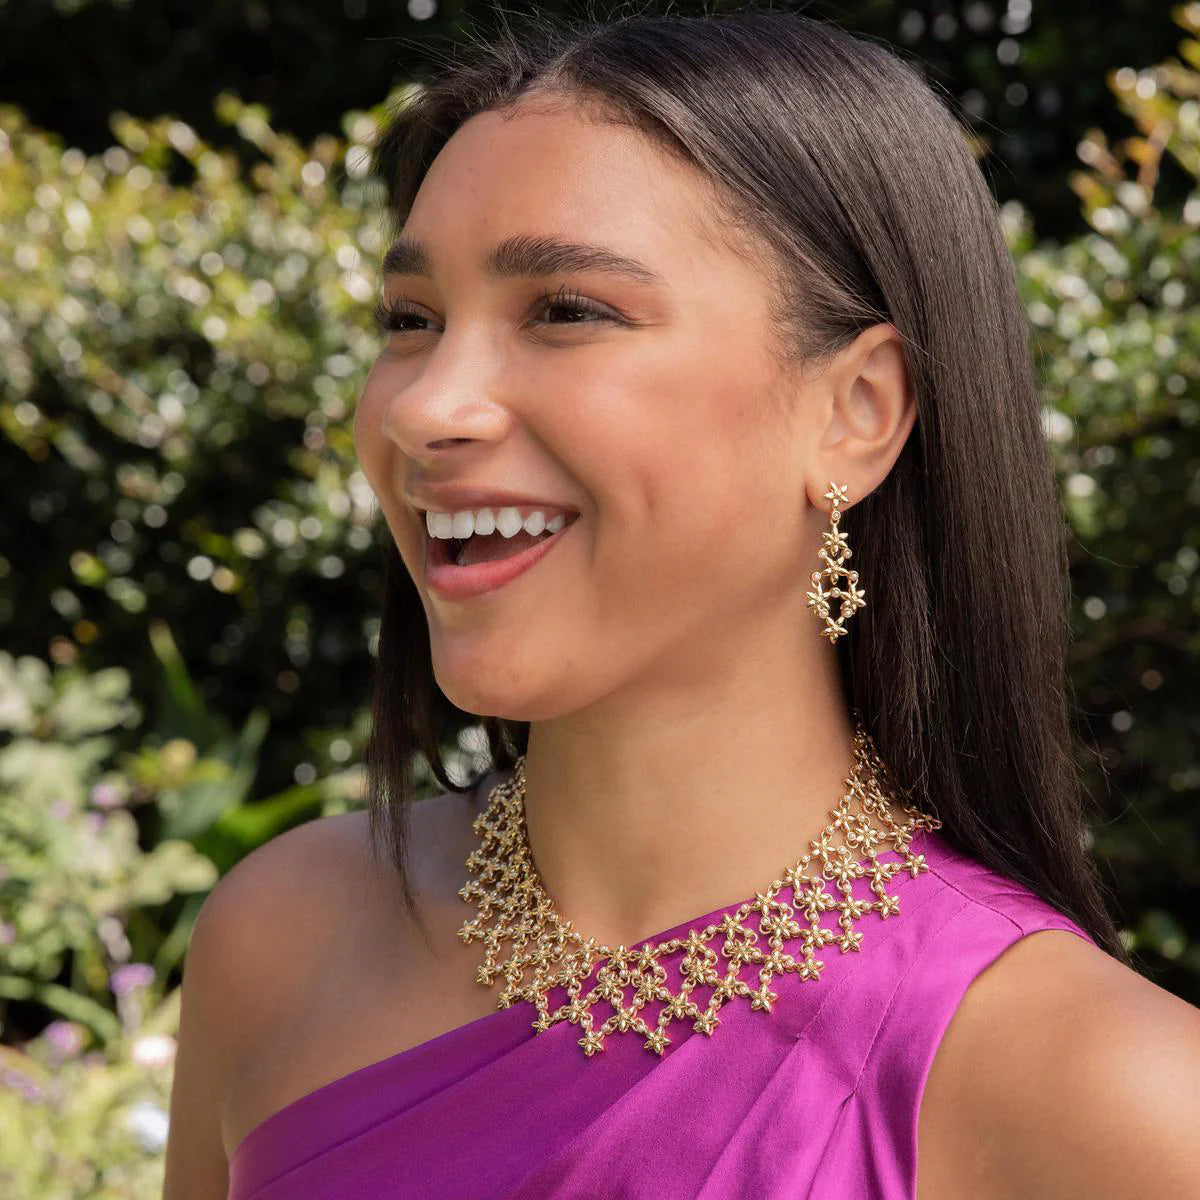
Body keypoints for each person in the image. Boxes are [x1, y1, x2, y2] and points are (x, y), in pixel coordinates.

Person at [162, 8, 1200, 1199]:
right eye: (410, 322)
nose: (422, 408)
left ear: (855, 410)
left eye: (566, 311)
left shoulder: (1104, 1098)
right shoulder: (288, 940)